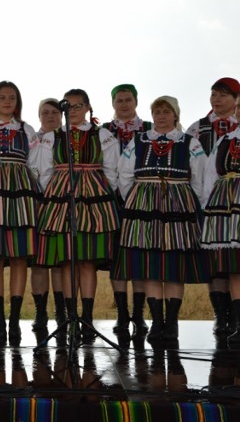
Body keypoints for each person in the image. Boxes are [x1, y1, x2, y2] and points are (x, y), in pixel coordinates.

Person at [114, 96, 208, 342]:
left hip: (179, 204)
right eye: (157, 112)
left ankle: (172, 323)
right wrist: (135, 199)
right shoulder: (139, 141)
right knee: (151, 265)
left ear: (175, 115)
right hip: (143, 205)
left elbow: (200, 177)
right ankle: (157, 322)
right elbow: (124, 174)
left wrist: (191, 202)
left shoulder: (190, 142)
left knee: (174, 267)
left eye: (166, 112)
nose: (161, 116)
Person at [36, 88, 120, 341]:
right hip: (62, 201)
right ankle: (71, 317)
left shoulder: (102, 134)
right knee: (67, 261)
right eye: (68, 106)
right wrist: (53, 193)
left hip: (94, 201)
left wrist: (100, 191)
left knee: (87, 262)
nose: (72, 110)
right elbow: (44, 170)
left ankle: (87, 317)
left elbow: (112, 169)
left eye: (77, 105)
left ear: (87, 107)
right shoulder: (53, 137)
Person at [0, 81, 40, 346]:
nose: (7, 101)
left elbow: (36, 164)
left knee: (19, 256)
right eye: (2, 97)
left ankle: (14, 319)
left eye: (12, 97)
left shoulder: (27, 129)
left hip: (21, 191)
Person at [186, 77, 240, 337]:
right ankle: (221, 314)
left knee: (235, 259)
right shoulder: (198, 128)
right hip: (211, 199)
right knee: (216, 258)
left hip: (235, 201)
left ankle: (235, 315)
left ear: (236, 99)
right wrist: (201, 201)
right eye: (214, 95)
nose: (216, 100)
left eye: (223, 95)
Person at [102, 84, 153, 336]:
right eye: (119, 100)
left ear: (136, 101)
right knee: (117, 257)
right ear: (113, 103)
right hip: (112, 198)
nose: (123, 104)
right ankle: (122, 314)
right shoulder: (103, 131)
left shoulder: (149, 129)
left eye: (128, 99)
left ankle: (139, 314)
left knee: (139, 255)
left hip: (144, 197)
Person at [202, 92, 240, 346]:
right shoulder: (226, 139)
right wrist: (207, 208)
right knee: (235, 267)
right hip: (226, 206)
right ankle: (237, 323)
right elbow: (209, 176)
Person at [29, 98, 65, 331]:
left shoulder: (66, 139)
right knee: (39, 263)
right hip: (34, 203)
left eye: (54, 112)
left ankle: (61, 313)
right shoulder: (31, 139)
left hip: (60, 203)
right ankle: (40, 313)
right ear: (39, 115)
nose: (50, 116)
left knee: (60, 262)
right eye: (45, 112)